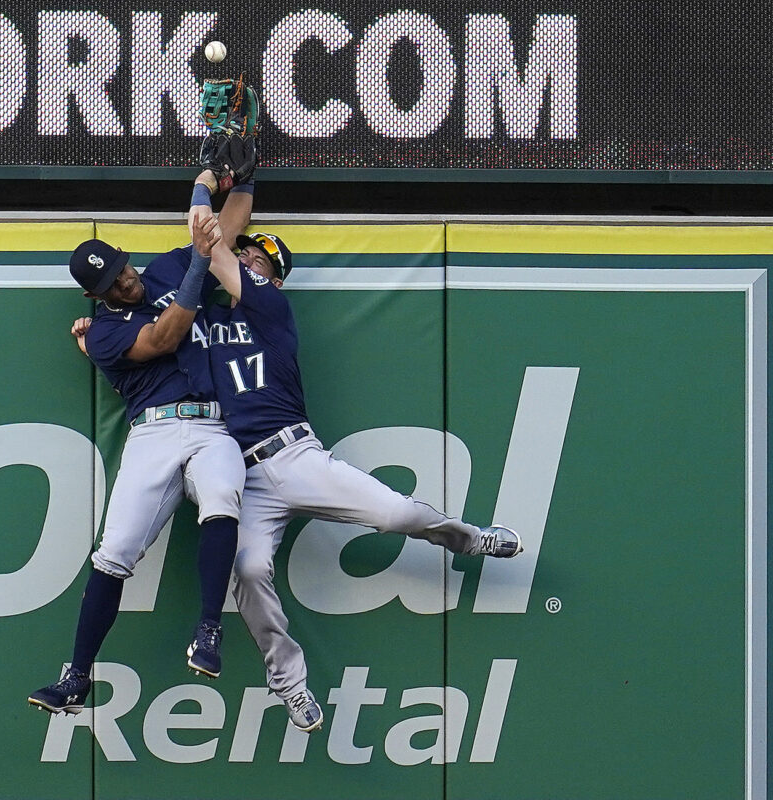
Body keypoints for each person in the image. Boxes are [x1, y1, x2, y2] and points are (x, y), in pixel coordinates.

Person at [188, 175, 523, 733]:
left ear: (271, 275)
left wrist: (209, 185)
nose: (251, 258)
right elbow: (191, 269)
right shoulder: (201, 316)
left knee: (396, 513)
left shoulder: (270, 306)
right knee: (246, 569)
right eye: (249, 251)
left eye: (260, 258)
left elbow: (212, 244)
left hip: (294, 454)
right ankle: (289, 684)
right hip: (237, 474)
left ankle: (468, 539)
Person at [27, 190, 245, 715]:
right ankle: (77, 677)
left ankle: (209, 632)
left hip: (213, 425)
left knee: (222, 495)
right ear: (94, 296)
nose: (126, 281)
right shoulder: (102, 332)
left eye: (123, 269)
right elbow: (166, 338)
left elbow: (230, 232)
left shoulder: (170, 265)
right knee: (114, 552)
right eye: (113, 283)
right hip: (153, 433)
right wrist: (197, 261)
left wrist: (240, 181)